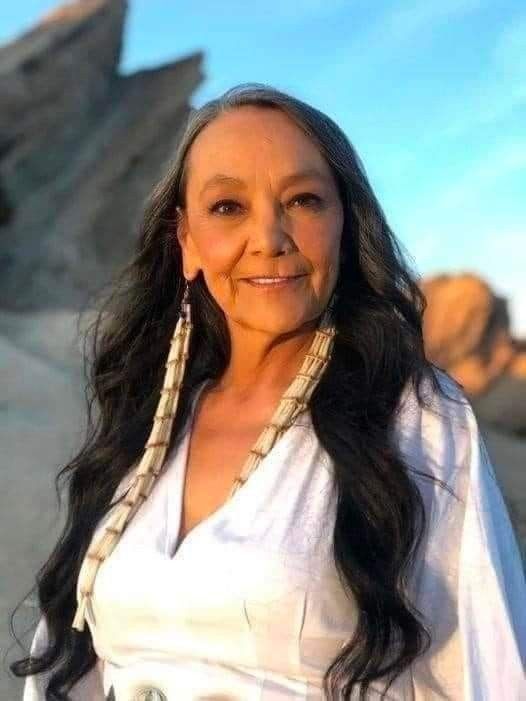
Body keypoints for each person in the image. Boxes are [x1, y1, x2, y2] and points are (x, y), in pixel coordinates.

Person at [12, 83, 525, 700]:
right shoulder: (145, 424)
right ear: (187, 244)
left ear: (344, 223)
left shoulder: (415, 416)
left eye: (304, 200)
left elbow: (486, 668)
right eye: (228, 207)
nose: (270, 236)